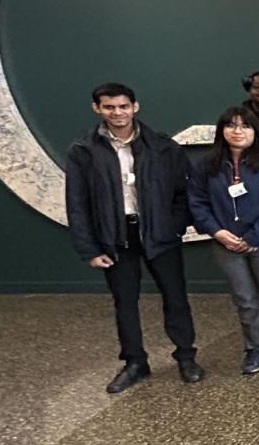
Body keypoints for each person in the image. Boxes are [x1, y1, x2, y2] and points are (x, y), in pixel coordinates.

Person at [65, 83, 202, 394]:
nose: (117, 113)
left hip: (160, 234)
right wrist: (89, 248)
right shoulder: (84, 151)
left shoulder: (163, 146)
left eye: (123, 106)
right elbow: (77, 203)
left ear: (135, 107)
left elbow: (185, 191)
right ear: (97, 109)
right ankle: (135, 362)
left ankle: (186, 356)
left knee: (176, 297)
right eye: (109, 107)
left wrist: (175, 226)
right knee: (125, 302)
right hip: (115, 237)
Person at [189, 106, 259, 373]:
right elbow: (197, 202)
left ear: (256, 131)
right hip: (225, 243)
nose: (237, 131)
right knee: (245, 300)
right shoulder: (207, 165)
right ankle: (257, 348)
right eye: (231, 125)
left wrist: (254, 236)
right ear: (222, 131)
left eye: (245, 126)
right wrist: (216, 231)